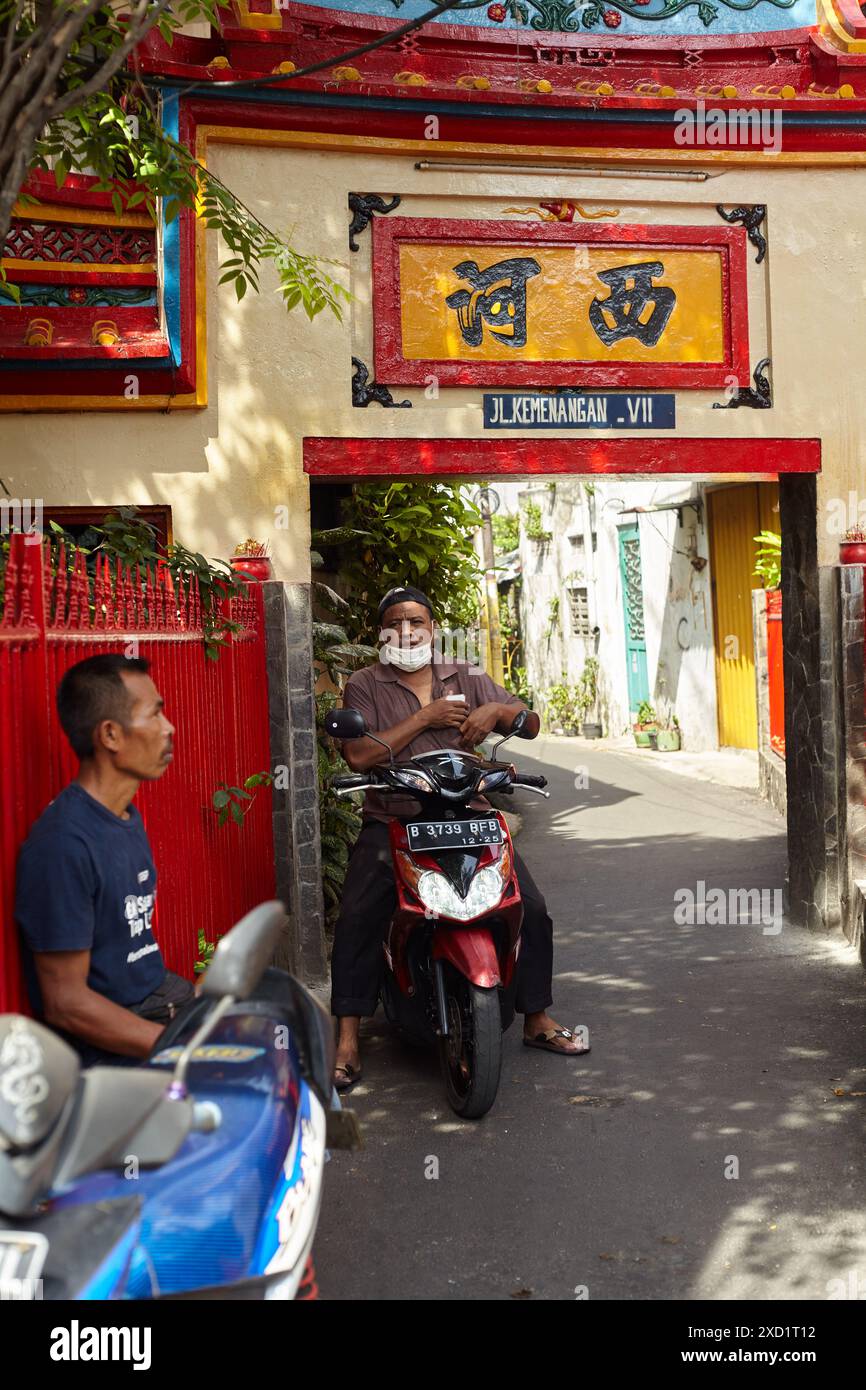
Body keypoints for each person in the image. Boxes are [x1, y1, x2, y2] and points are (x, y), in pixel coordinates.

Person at [330, 584, 589, 1091]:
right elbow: (358, 756)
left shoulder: (464, 675)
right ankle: (346, 1039)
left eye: (417, 621)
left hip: (468, 815)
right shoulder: (364, 683)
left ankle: (536, 1018)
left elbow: (530, 722)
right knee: (360, 913)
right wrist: (424, 718)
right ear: (382, 632)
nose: (407, 631)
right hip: (395, 818)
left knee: (529, 906)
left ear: (432, 627)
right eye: (396, 622)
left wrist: (497, 712)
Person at [15, 653, 193, 1067]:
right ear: (110, 735)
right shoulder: (63, 845)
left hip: (163, 1008)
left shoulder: (124, 817)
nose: (168, 728)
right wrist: (180, 1049)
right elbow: (67, 1002)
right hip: (118, 1063)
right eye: (155, 714)